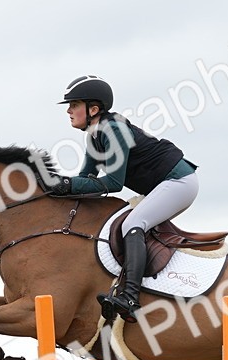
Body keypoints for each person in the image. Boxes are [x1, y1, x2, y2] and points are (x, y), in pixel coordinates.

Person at [46, 76, 199, 322]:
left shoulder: (112, 129)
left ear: (93, 109)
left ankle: (130, 297)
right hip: (163, 185)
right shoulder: (95, 134)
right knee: (133, 223)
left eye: (74, 104)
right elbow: (86, 178)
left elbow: (113, 184)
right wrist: (56, 188)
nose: (69, 110)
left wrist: (65, 184)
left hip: (178, 182)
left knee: (132, 224)